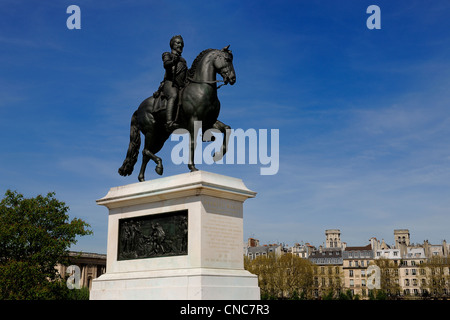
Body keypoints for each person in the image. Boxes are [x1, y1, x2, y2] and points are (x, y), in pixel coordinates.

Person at [162, 35, 187, 132]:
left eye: (181, 43)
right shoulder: (167, 54)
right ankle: (169, 122)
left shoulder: (183, 60)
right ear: (172, 44)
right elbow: (166, 64)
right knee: (174, 95)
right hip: (170, 84)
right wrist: (173, 61)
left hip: (181, 86)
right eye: (178, 43)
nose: (180, 45)